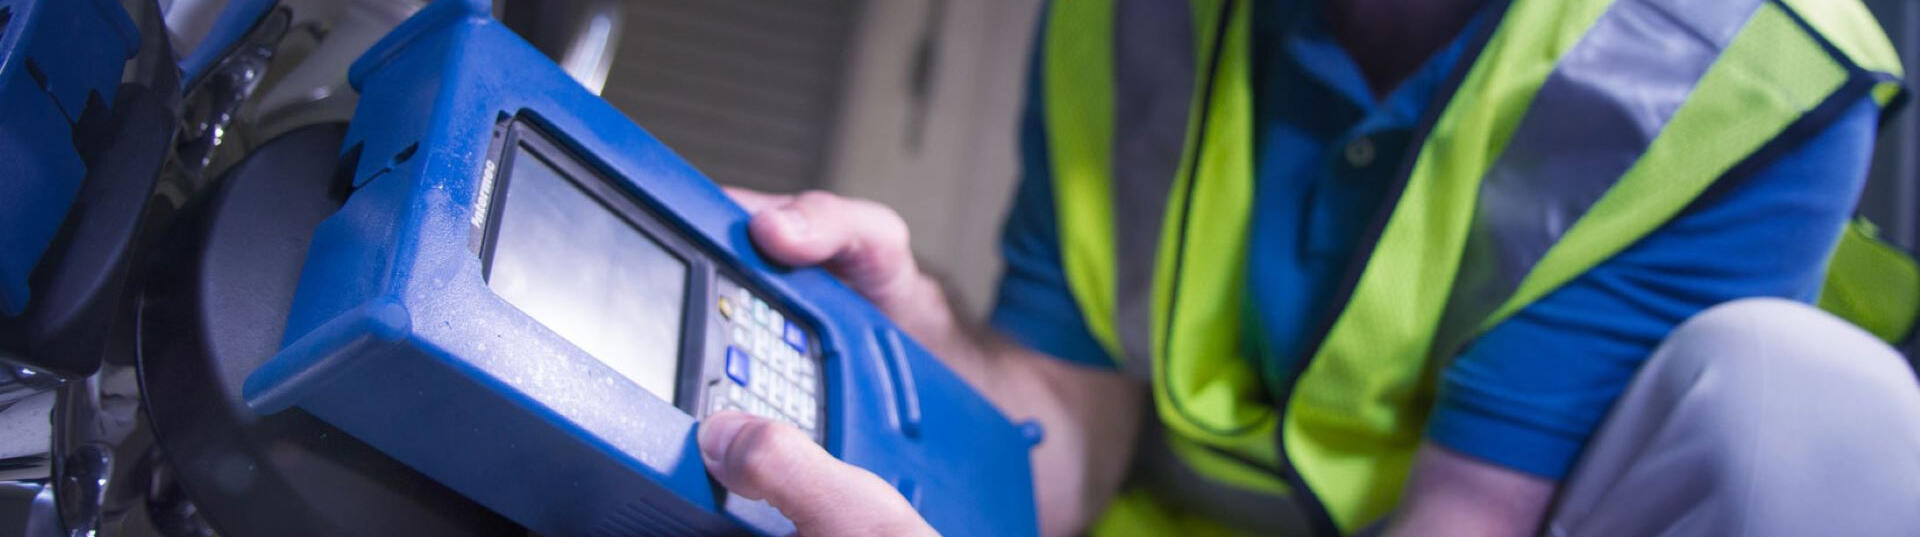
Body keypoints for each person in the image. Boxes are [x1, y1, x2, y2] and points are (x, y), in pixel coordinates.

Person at [696, 0, 1920, 535]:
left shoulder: (1733, 72)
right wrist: (918, 343)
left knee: (1804, 394)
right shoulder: (1129, 14)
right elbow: (1062, 437)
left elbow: (1467, 522)